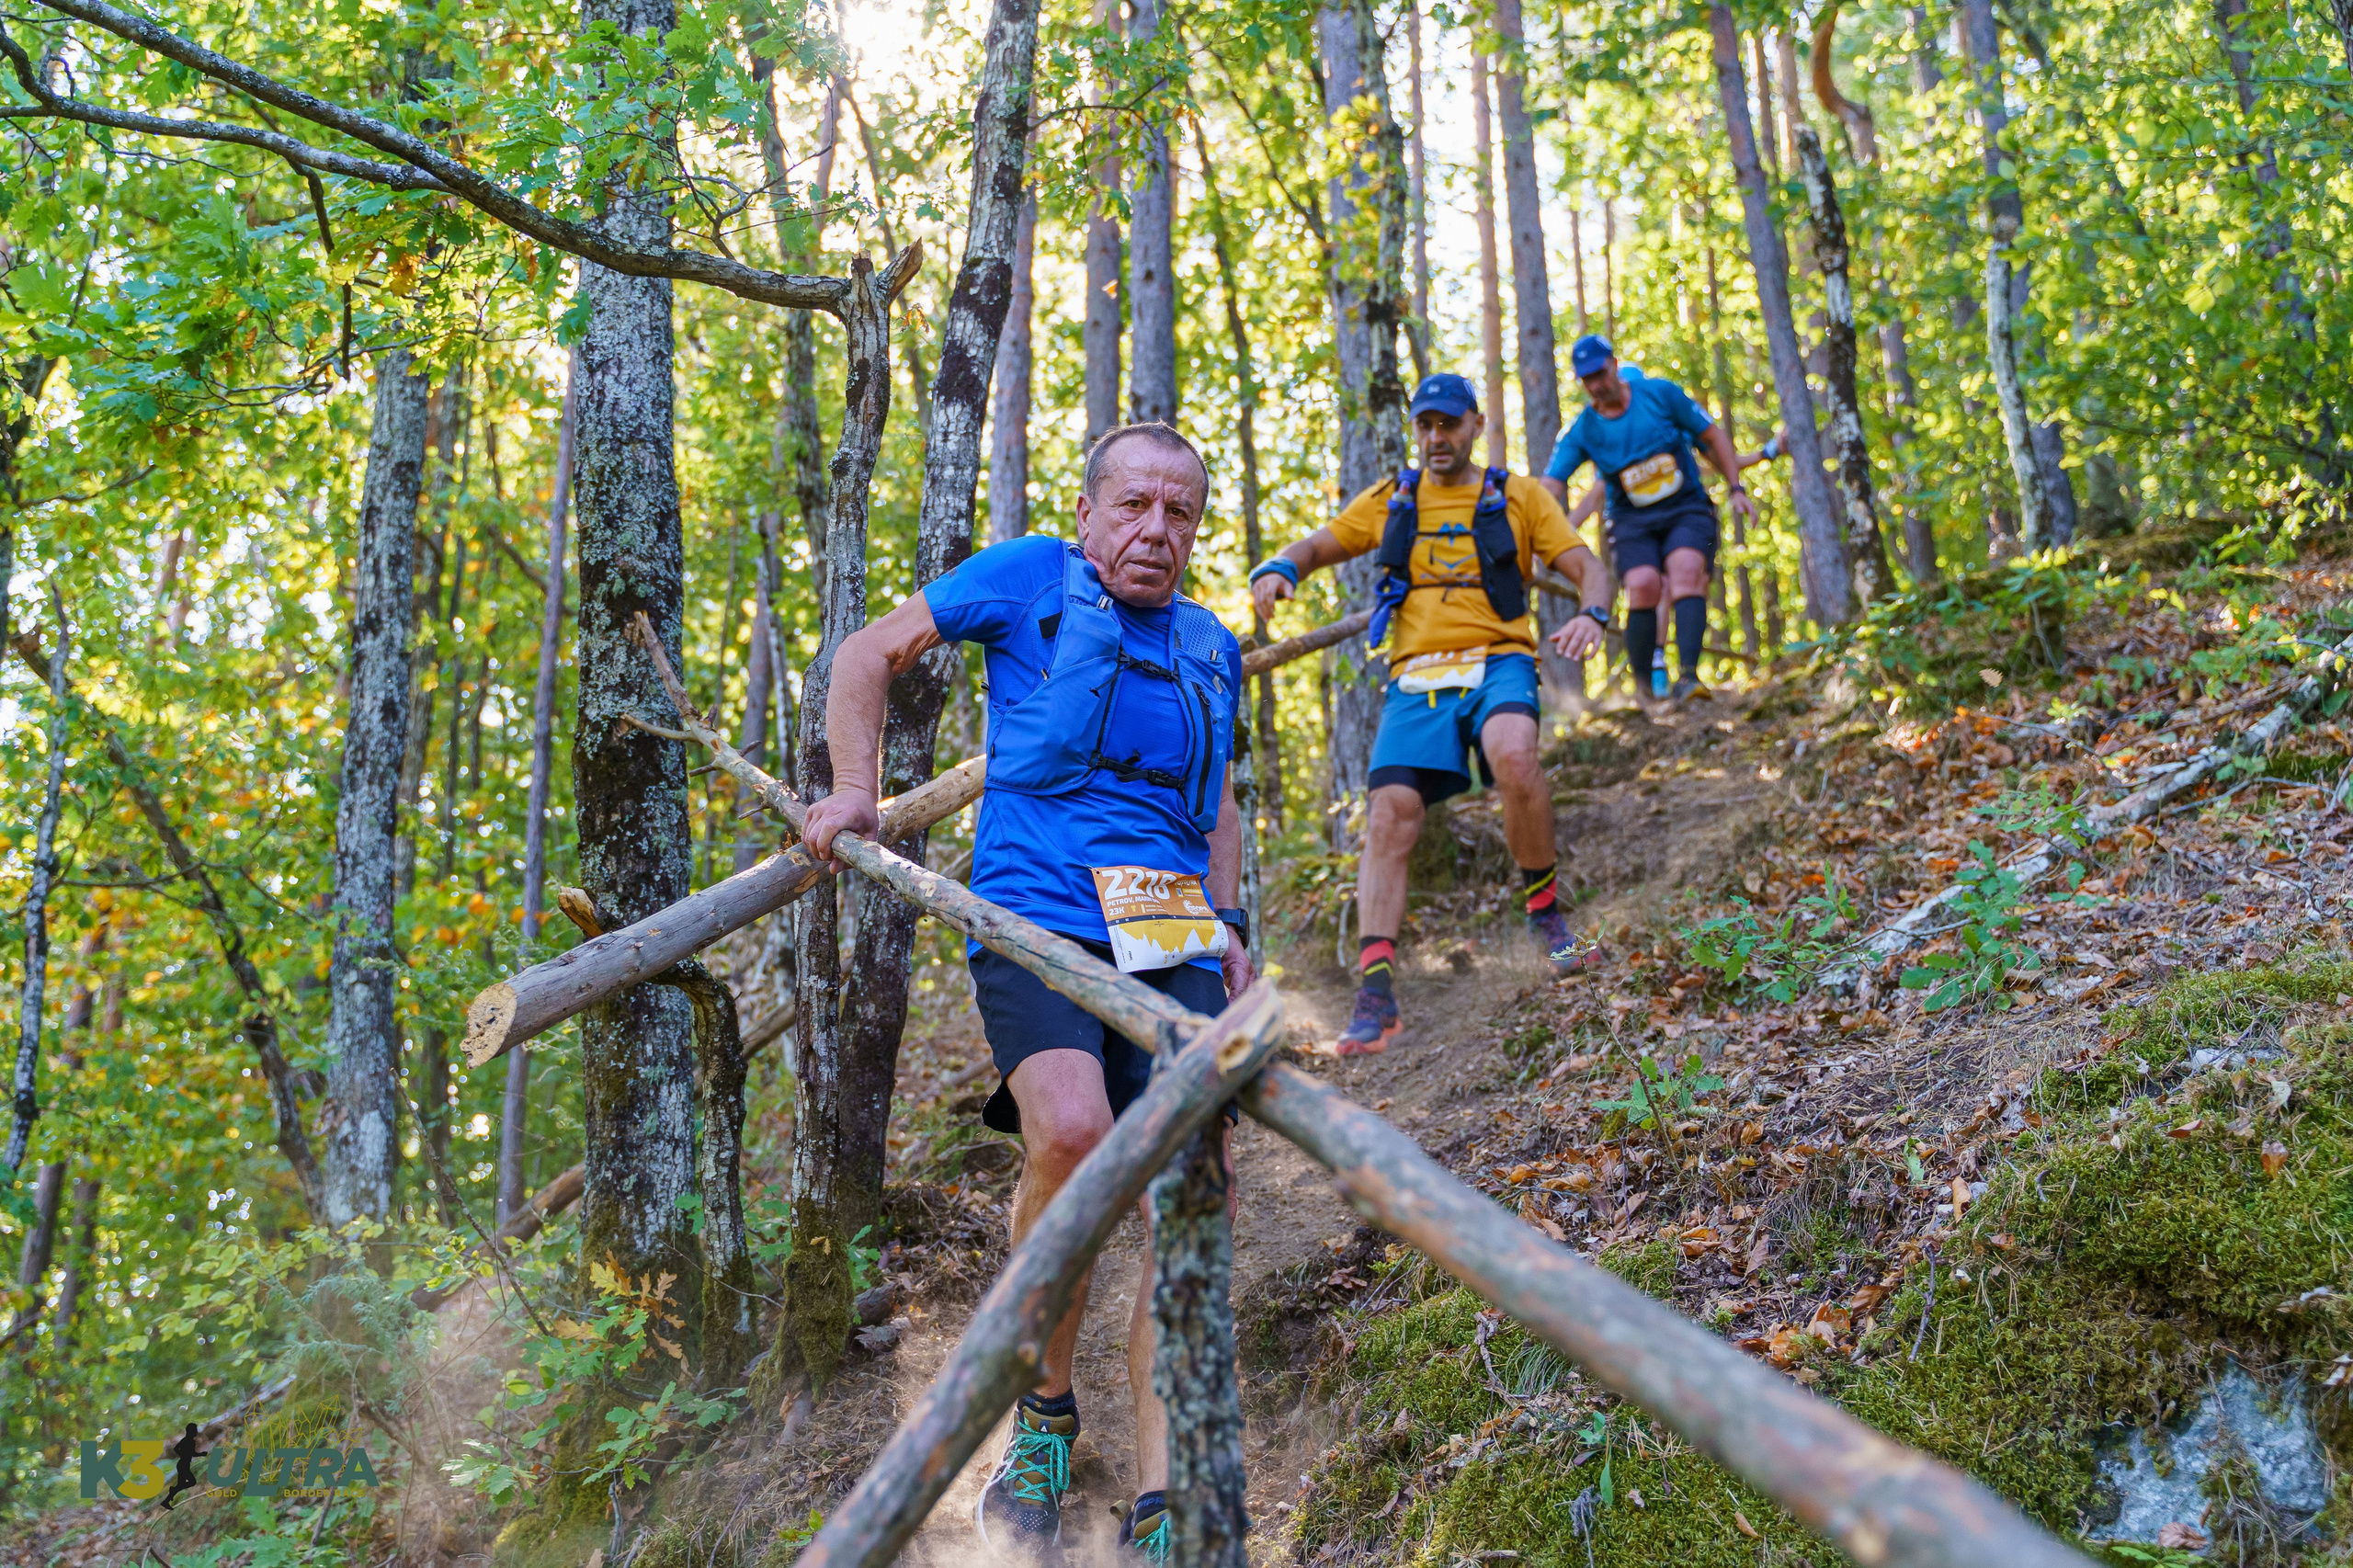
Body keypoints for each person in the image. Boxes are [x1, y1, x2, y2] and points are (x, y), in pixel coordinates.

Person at [804, 422, 1249, 1562]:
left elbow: (1218, 800)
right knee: (1072, 1131)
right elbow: (869, 651)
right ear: (1089, 510)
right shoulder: (1028, 578)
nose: (1156, 529)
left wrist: (1232, 922)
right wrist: (854, 789)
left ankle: (1165, 1496)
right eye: (1134, 505)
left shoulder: (1209, 642)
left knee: (1190, 1187)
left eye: (1180, 512)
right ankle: (1044, 1413)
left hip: (1170, 935)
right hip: (1035, 913)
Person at [1249, 372, 1613, 1058]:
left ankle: (1547, 919)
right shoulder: (1394, 498)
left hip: (1499, 659)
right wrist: (1280, 567)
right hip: (1417, 676)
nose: (1437, 437)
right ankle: (1376, 994)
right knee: (1390, 810)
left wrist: (1593, 613)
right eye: (1426, 425)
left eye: (1449, 423)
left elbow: (1587, 565)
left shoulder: (1519, 496)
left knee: (1515, 754)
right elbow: (1319, 545)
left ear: (1476, 425)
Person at [1541, 335, 1756, 705]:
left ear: (1614, 365)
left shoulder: (1660, 395)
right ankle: (1643, 691)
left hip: (1685, 507)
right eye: (1587, 379)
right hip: (1630, 520)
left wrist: (1736, 487)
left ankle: (1688, 677)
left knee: (1687, 569)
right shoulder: (1583, 431)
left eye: (1600, 373)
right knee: (1642, 585)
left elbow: (1712, 436)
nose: (1597, 385)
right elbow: (1550, 485)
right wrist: (1526, 527)